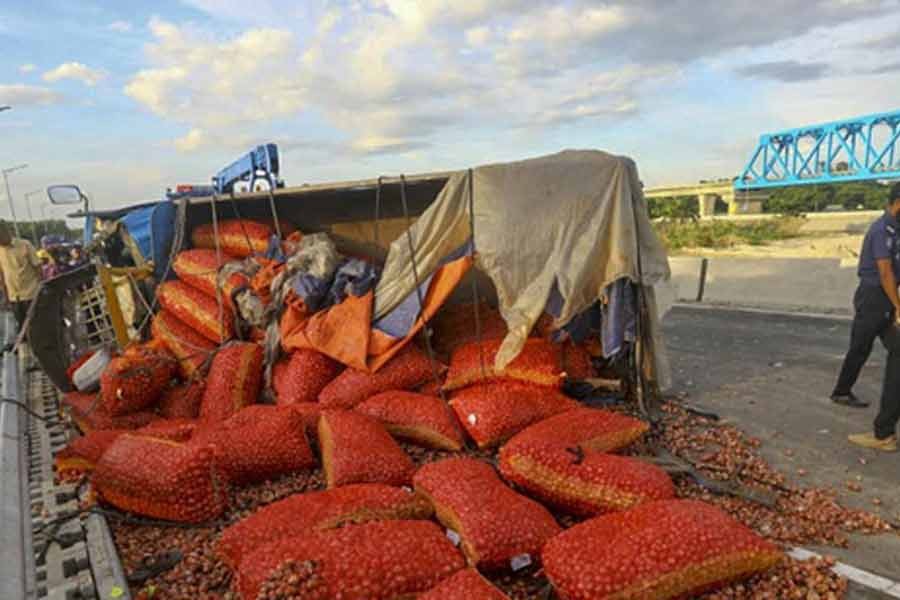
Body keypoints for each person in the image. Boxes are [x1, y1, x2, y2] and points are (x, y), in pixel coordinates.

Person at [833, 183, 900, 452]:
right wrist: (898, 305)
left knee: (897, 351)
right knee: (860, 347)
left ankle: (884, 431)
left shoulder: (897, 230)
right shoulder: (880, 229)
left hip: (888, 296)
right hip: (873, 297)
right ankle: (841, 391)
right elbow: (885, 273)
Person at [0, 222, 41, 342]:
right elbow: (2, 274)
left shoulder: (24, 245)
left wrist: (41, 288)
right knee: (22, 329)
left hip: (32, 294)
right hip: (15, 297)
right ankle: (27, 352)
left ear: (6, 232)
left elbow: (38, 267)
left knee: (35, 326)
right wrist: (5, 295)